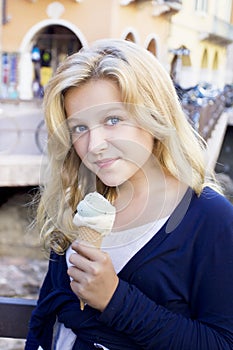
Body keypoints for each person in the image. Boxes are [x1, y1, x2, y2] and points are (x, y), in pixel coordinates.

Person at [25, 39, 233, 350]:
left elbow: (221, 343)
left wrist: (114, 299)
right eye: (79, 127)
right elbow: (48, 310)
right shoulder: (81, 200)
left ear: (155, 115)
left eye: (113, 120)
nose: (94, 145)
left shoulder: (211, 219)